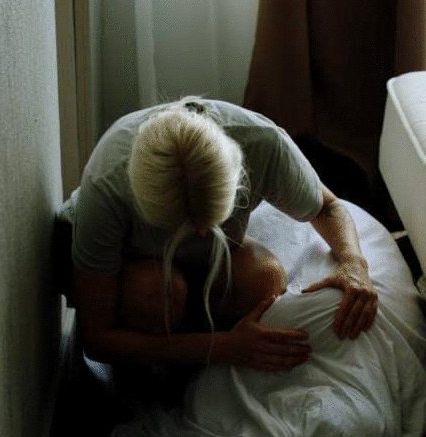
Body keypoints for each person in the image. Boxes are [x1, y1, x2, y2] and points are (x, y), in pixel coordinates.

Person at [61, 96, 378, 373]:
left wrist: (353, 262)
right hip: (136, 275)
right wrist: (223, 347)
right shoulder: (107, 184)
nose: (199, 234)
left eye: (213, 220)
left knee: (264, 279)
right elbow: (96, 338)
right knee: (155, 292)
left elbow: (328, 207)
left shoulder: (261, 143)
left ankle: (190, 355)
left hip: (204, 270)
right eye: (178, 226)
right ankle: (156, 377)